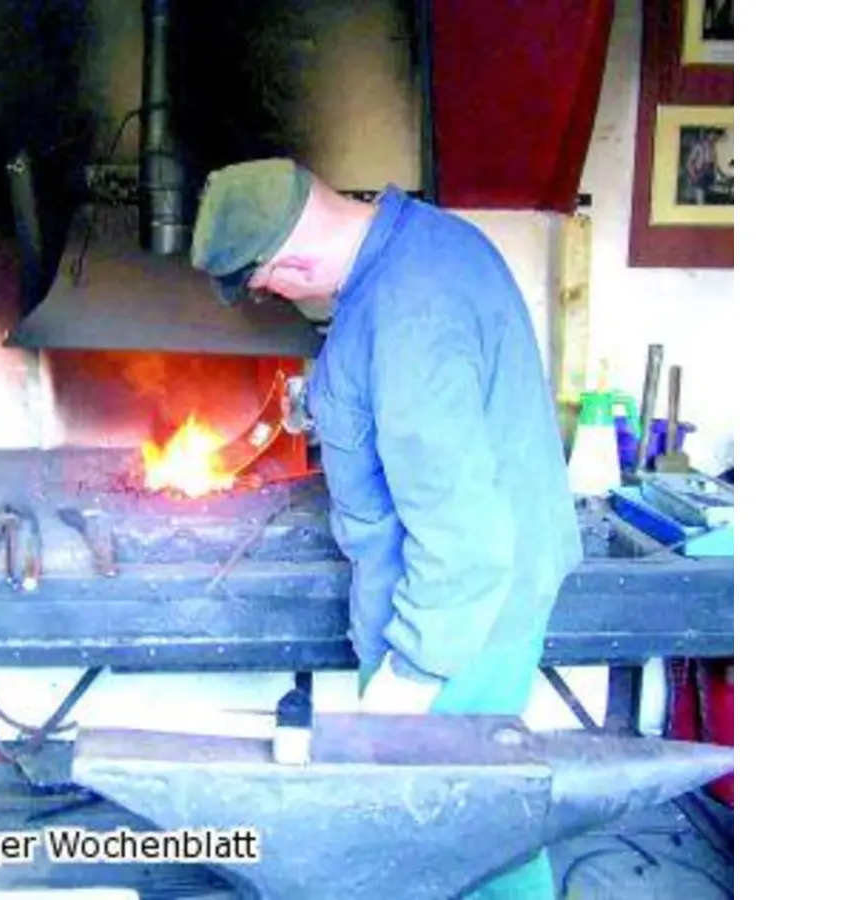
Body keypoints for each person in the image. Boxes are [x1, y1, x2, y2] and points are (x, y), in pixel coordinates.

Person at [189, 159, 583, 900]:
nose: (272, 298)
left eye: (267, 285)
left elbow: (461, 531)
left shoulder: (410, 313)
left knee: (459, 836)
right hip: (473, 606)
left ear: (294, 262)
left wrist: (414, 673)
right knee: (477, 819)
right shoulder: (425, 246)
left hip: (459, 621)